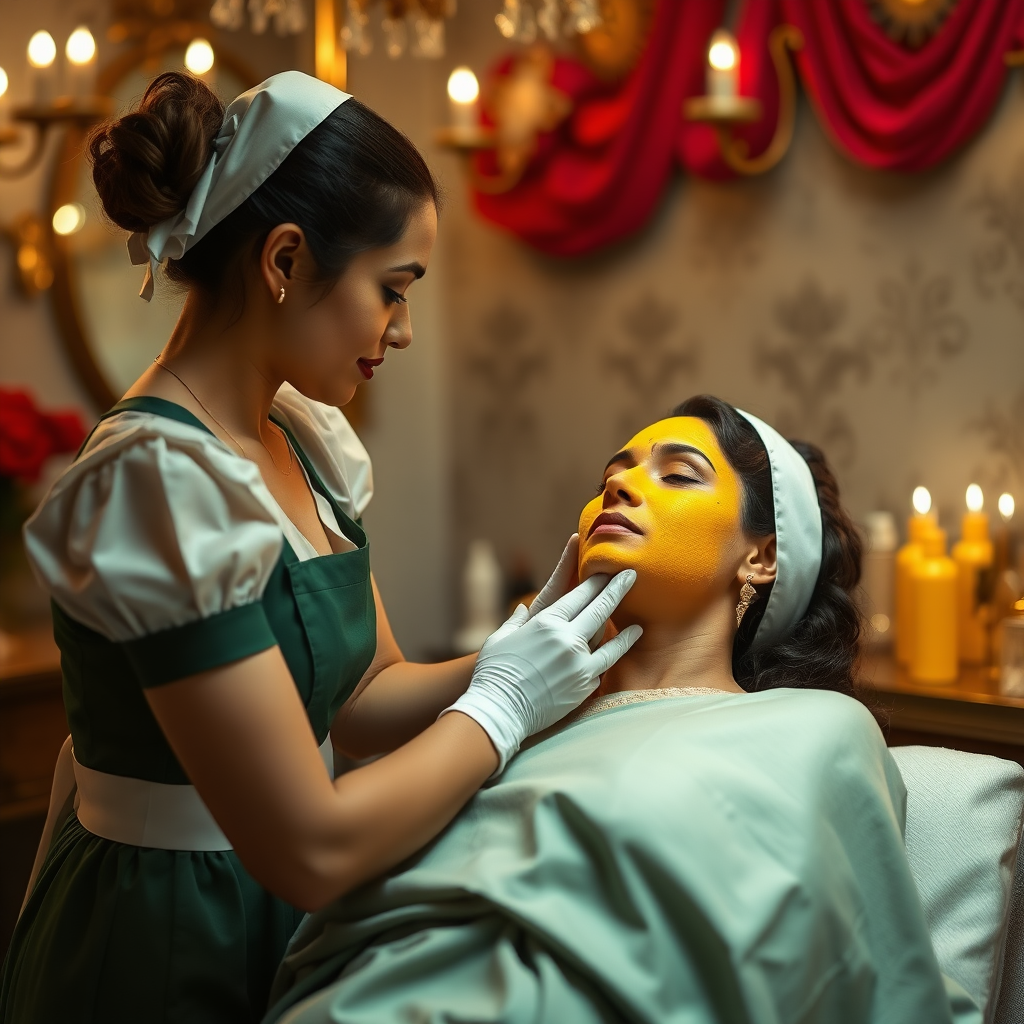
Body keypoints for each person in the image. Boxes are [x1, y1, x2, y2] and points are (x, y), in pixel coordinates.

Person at [0, 71, 641, 1024]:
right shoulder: (155, 484)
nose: (406, 329)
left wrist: (523, 648)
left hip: (278, 918)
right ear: (286, 260)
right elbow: (311, 843)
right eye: (393, 290)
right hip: (168, 937)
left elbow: (365, 700)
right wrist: (504, 708)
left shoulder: (301, 440)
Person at [262, 397, 980, 1024]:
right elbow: (335, 844)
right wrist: (495, 693)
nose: (624, 486)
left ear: (761, 557)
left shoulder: (814, 729)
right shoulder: (512, 717)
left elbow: (847, 964)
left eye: (677, 474)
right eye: (612, 475)